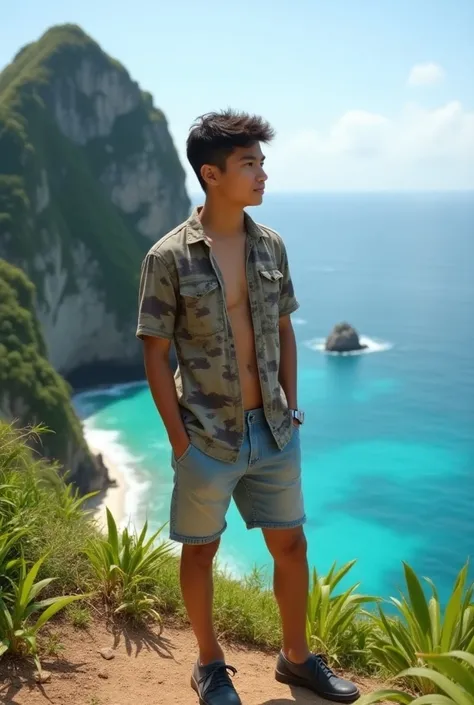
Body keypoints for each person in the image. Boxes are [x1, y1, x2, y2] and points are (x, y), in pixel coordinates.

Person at [136, 110, 359, 705]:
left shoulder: (272, 245)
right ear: (212, 174)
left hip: (275, 431)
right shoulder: (168, 258)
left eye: (262, 161)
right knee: (201, 551)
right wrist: (179, 443)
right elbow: (155, 355)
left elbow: (284, 329)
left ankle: (296, 659)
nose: (263, 173)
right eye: (249, 163)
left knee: (291, 545)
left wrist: (292, 401)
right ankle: (209, 665)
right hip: (207, 437)